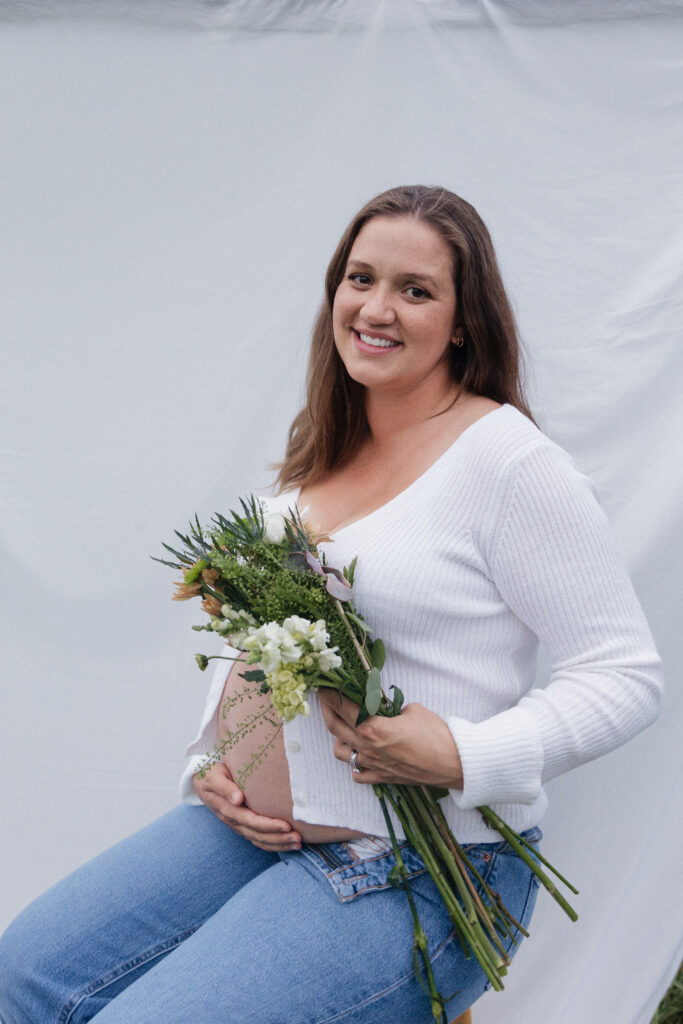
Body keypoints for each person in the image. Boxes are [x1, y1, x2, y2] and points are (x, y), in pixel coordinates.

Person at [0, 185, 663, 1024]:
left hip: (428, 863)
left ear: (462, 322)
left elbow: (623, 675)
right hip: (262, 835)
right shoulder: (324, 453)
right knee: (24, 974)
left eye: (414, 289)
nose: (376, 308)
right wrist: (217, 763)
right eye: (360, 278)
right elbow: (276, 647)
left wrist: (465, 752)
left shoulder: (506, 464)